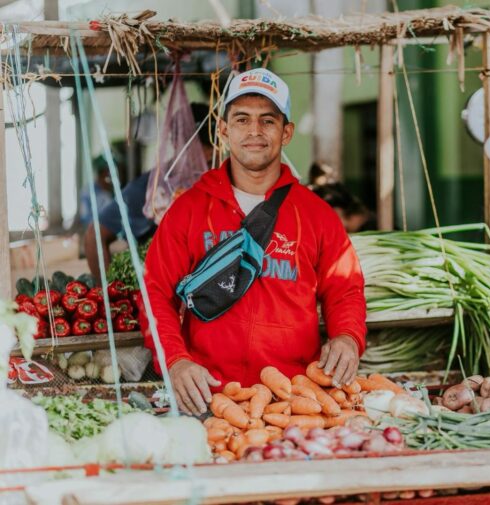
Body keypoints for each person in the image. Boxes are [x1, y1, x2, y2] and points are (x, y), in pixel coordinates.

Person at [143, 68, 367, 415]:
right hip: (209, 396)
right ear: (223, 129)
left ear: (286, 132)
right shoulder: (188, 210)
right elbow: (156, 293)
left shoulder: (316, 215)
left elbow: (345, 289)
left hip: (294, 399)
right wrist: (175, 361)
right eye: (242, 119)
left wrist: (347, 337)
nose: (254, 132)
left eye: (268, 120)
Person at [84, 104, 216, 282]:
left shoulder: (224, 182)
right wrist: (111, 295)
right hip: (160, 295)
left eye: (210, 149)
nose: (207, 156)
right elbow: (95, 236)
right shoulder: (151, 187)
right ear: (175, 142)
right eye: (196, 148)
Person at [78, 156, 115, 227]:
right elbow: (85, 217)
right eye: (108, 174)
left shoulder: (112, 192)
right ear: (102, 174)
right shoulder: (88, 191)